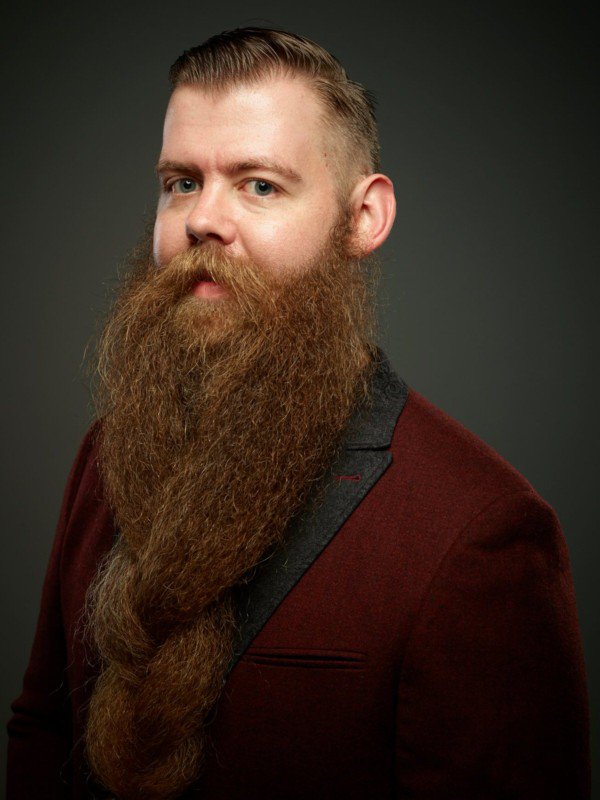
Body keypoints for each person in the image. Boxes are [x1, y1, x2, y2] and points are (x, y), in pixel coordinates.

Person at [7, 27, 590, 800]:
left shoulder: (481, 529)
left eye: (259, 185)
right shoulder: (106, 455)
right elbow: (44, 733)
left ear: (364, 217)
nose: (202, 219)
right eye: (181, 182)